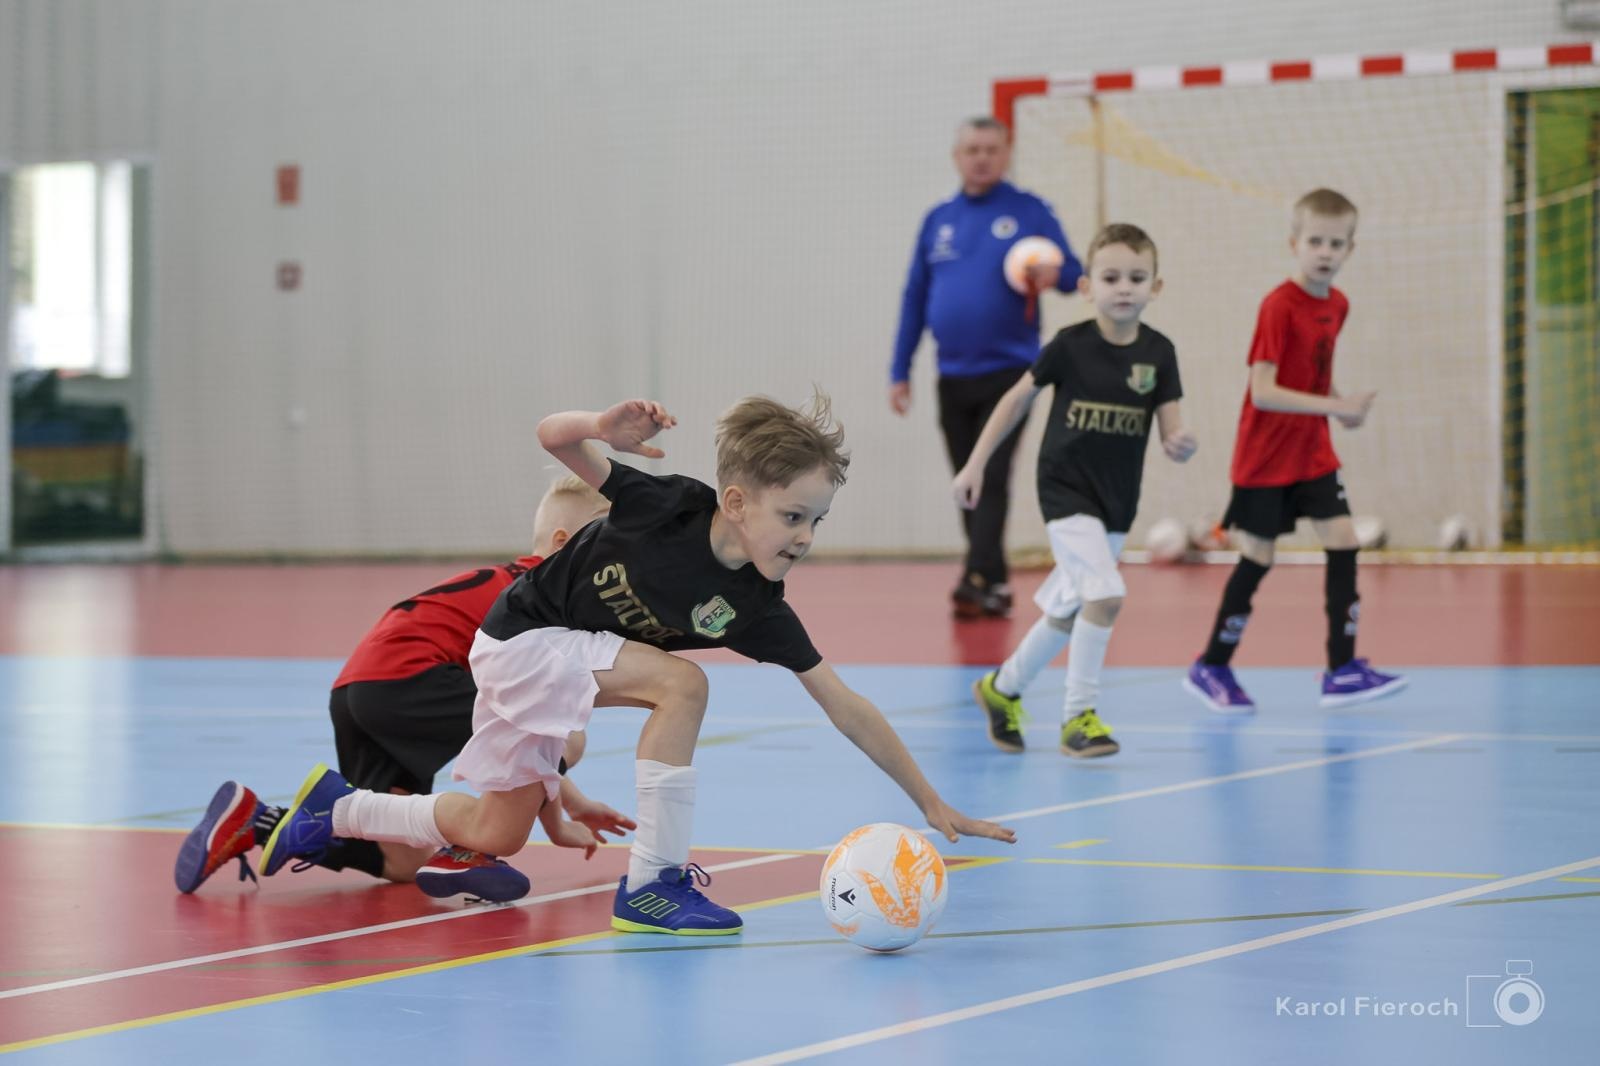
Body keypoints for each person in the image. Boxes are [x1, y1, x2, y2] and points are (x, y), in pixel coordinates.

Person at [259, 394, 1017, 936]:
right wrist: (598, 427)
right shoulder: (668, 508)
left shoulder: (759, 608)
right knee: (682, 683)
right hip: (521, 638)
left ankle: (340, 809)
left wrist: (930, 801)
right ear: (735, 501)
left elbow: (842, 702)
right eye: (793, 516)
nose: (806, 537)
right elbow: (553, 438)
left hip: (546, 663)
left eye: (817, 521)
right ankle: (653, 883)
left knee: (495, 831)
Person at [174, 475, 636, 902]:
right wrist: (559, 819)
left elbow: (529, 746)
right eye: (604, 547)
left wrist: (572, 806)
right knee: (570, 731)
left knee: (402, 859)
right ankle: (467, 850)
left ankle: (258, 820)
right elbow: (539, 734)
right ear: (562, 544)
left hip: (358, 690)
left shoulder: (508, 580)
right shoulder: (543, 596)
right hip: (410, 679)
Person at [956, 223, 1194, 757]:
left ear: (1156, 287)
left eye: (1137, 277)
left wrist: (1181, 443)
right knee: (1105, 596)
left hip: (1116, 504)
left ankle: (1002, 689)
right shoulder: (1070, 346)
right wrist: (975, 464)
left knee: (1068, 612)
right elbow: (1017, 400)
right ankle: (1078, 716)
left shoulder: (1159, 354)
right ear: (1087, 286)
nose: (1124, 287)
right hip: (1065, 492)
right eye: (1111, 277)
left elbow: (1171, 426)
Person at [1184, 188, 1406, 714]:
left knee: (1345, 541)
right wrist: (1331, 406)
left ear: (1350, 249)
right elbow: (1263, 390)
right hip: (1265, 457)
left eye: (1335, 243)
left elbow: (1313, 378)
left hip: (1312, 454)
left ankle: (1342, 669)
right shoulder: (1278, 306)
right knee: (1258, 557)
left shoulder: (1339, 305)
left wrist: (1339, 405)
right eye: (1314, 241)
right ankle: (1212, 664)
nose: (1324, 252)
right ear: (1294, 244)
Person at [891, 116, 1084, 619]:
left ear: (1006, 154)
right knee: (966, 478)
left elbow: (1076, 274)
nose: (981, 157)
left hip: (1012, 373)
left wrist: (1055, 271)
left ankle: (975, 575)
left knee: (991, 474)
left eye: (991, 149)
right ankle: (993, 581)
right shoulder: (938, 220)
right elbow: (915, 297)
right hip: (951, 374)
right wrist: (900, 369)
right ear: (958, 156)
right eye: (972, 149)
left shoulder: (1029, 210)